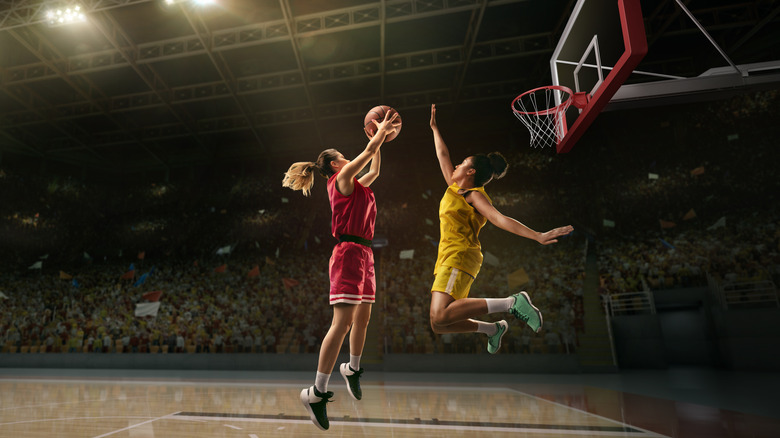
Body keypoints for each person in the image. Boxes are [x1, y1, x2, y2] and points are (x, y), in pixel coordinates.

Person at [283, 110, 400, 431]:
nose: (349, 158)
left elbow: (374, 165)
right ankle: (316, 392)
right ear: (336, 164)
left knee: (363, 318)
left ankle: (352, 368)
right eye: (344, 157)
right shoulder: (342, 179)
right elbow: (368, 154)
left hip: (365, 253)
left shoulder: (357, 183)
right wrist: (379, 134)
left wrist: (381, 140)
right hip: (348, 252)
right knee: (343, 322)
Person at [428, 104, 573, 354]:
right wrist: (434, 128)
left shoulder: (473, 195)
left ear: (471, 171)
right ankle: (493, 330)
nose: (456, 165)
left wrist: (537, 235)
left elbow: (498, 218)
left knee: (440, 315)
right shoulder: (455, 187)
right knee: (439, 324)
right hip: (448, 257)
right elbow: (442, 155)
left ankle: (513, 302)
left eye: (462, 163)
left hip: (460, 255)